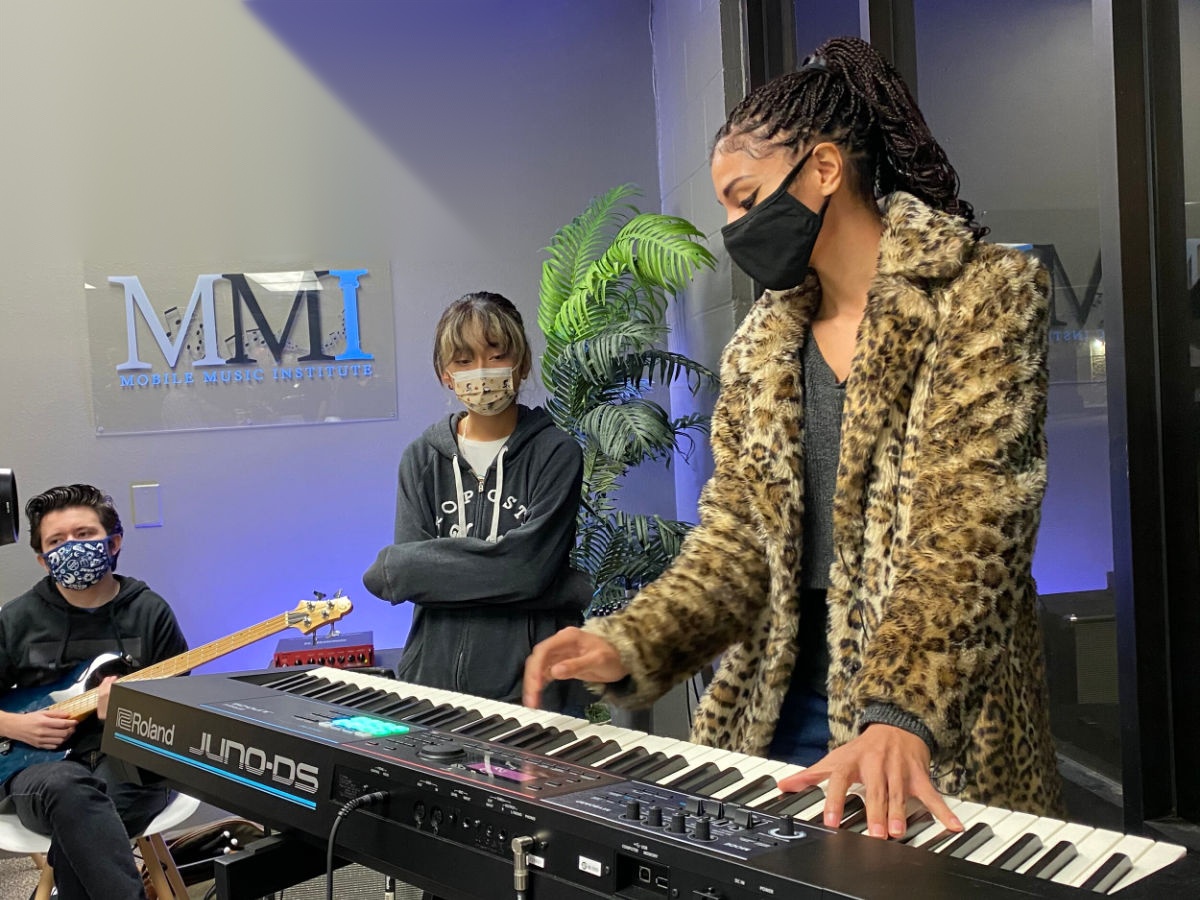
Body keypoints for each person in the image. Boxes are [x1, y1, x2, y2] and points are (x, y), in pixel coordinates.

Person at [524, 35, 1063, 841]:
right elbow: (735, 545)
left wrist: (899, 711)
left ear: (822, 170)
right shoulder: (759, 349)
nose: (736, 229)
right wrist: (628, 642)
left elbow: (972, 524)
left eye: (745, 199)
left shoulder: (984, 295)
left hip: (931, 720)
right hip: (777, 713)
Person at [364, 291, 589, 710]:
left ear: (521, 364)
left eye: (496, 354)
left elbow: (527, 570)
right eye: (463, 361)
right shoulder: (422, 458)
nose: (480, 373)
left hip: (532, 691)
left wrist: (408, 567)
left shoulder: (556, 453)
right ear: (444, 374)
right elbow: (411, 579)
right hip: (432, 684)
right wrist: (551, 585)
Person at [0, 484, 188, 900]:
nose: (71, 547)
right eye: (56, 541)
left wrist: (132, 711)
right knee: (71, 789)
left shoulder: (149, 611)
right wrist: (17, 724)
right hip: (39, 768)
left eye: (84, 535)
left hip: (131, 756)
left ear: (114, 542)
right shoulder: (16, 620)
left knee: (87, 822)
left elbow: (183, 709)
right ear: (42, 559)